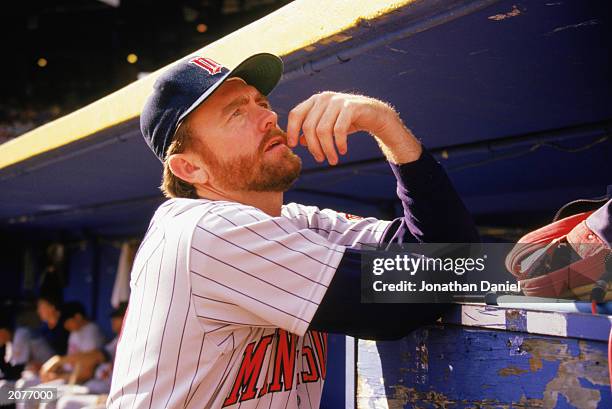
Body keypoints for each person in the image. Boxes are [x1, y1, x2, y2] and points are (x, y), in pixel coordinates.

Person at [108, 53, 479, 408]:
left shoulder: (295, 221)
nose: (268, 117)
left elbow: (449, 255)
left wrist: (386, 126)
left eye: (261, 102)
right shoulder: (202, 231)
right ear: (190, 169)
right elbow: (406, 302)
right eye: (236, 112)